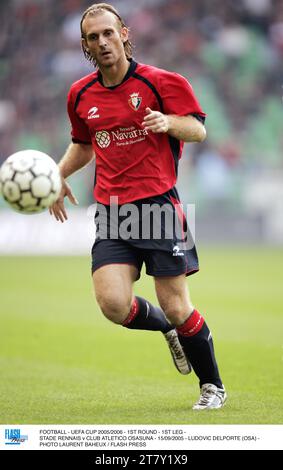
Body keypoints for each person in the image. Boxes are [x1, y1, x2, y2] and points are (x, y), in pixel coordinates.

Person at [50, 2, 227, 410]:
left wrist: (168, 122)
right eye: (93, 37)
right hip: (113, 212)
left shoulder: (162, 82)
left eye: (109, 33)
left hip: (159, 207)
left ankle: (212, 386)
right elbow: (83, 145)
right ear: (85, 46)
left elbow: (197, 128)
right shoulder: (80, 94)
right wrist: (59, 174)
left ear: (125, 33)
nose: (102, 42)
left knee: (178, 305)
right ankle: (166, 329)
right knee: (112, 304)